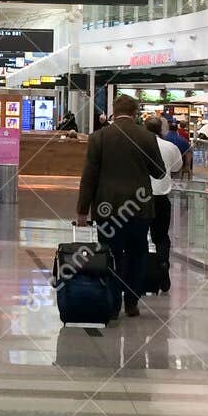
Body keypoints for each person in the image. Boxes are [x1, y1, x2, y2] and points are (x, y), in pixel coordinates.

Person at [75, 93, 165, 318]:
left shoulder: (99, 137)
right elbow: (159, 171)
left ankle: (113, 302)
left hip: (107, 208)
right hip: (139, 208)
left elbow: (89, 177)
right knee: (137, 254)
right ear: (135, 113)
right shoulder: (146, 137)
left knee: (110, 255)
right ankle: (132, 301)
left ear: (114, 111)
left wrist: (82, 211)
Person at [145, 115, 184, 293]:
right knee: (161, 237)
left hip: (140, 199)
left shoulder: (138, 145)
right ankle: (162, 263)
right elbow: (177, 167)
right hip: (161, 198)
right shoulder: (170, 146)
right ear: (161, 129)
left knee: (139, 237)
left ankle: (143, 273)